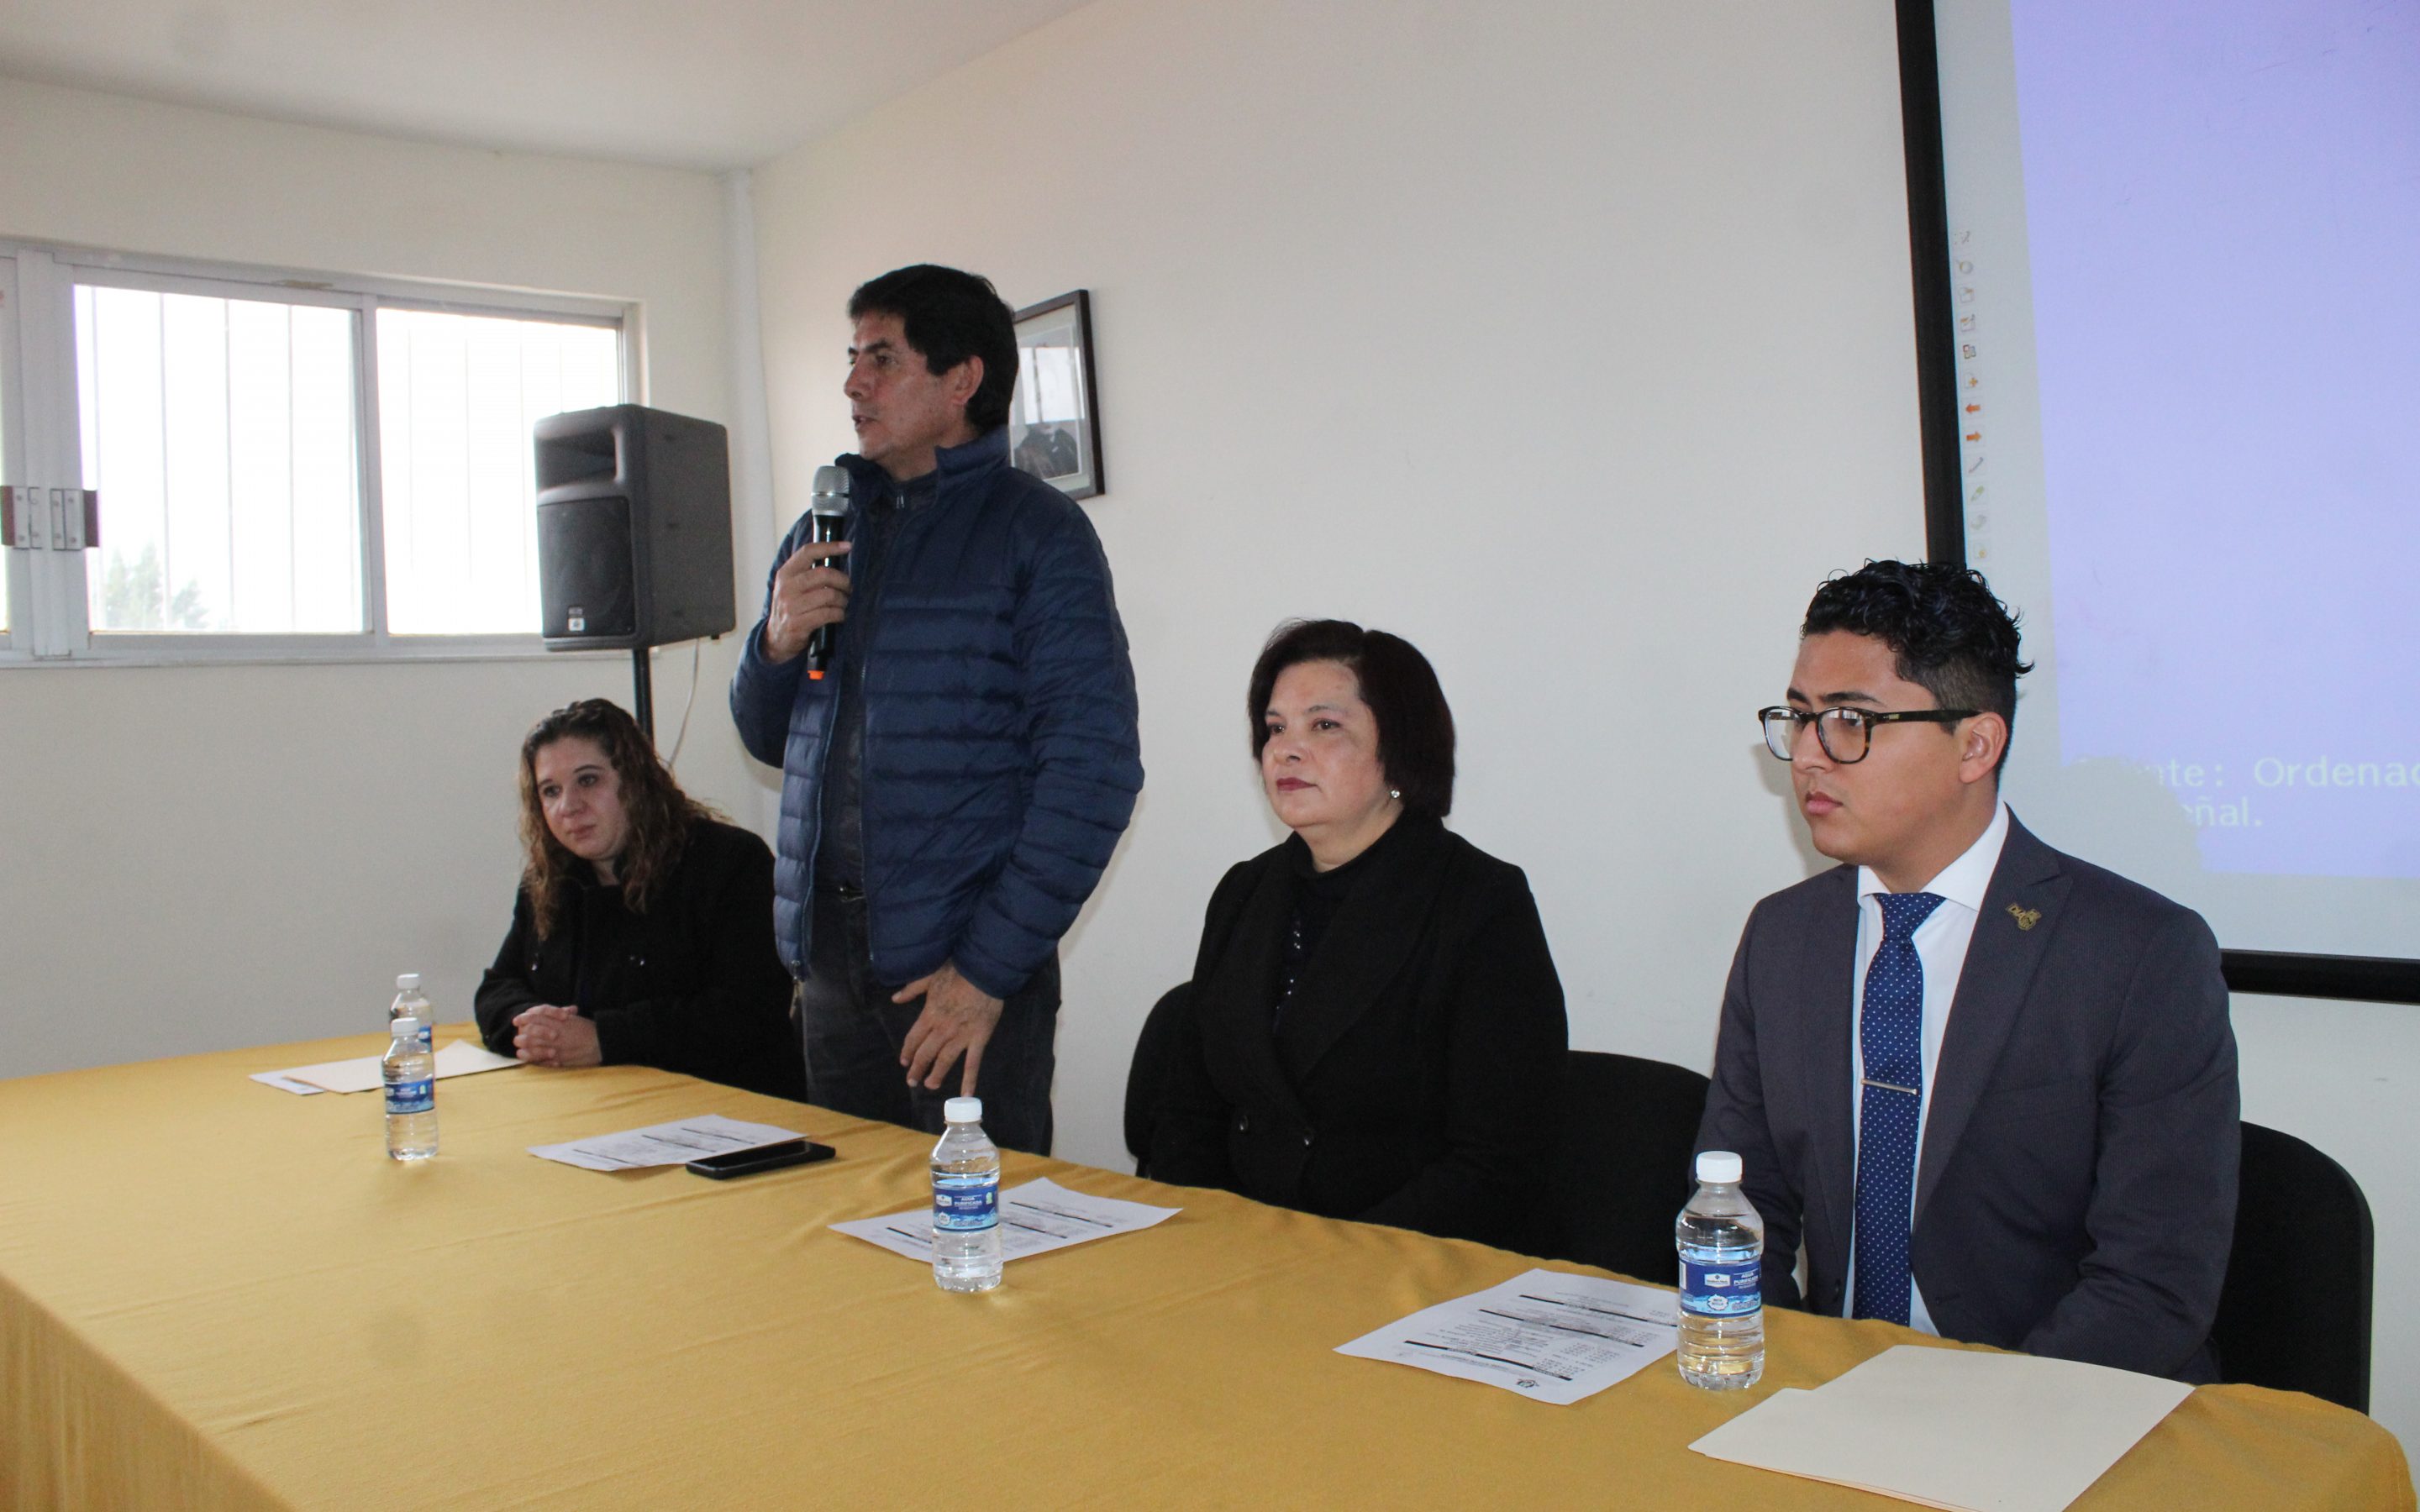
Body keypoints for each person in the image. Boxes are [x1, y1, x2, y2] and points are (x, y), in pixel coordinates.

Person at [1697, 560, 2238, 1381]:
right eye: (1800, 718)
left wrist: (1973, 1417)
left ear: (1976, 745)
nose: (1807, 755)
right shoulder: (1785, 936)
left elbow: (2152, 1287)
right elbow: (1743, 1205)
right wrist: (1777, 1374)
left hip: (2054, 1402)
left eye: (1850, 721)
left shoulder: (2139, 955)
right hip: (1832, 1390)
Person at [729, 264, 1142, 1155]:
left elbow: (1094, 769)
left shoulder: (1038, 532)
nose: (853, 384)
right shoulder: (822, 531)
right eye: (851, 359)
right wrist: (774, 645)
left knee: (976, 1222)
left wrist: (986, 973)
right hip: (830, 965)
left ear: (962, 380)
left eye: (881, 358)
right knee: (845, 1216)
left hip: (958, 971)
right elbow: (767, 739)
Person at [1144, 620, 1567, 1248]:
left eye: (1324, 726)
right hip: (1242, 1251)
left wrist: (1332, 1258)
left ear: (1398, 748)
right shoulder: (1245, 892)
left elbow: (1496, 1160)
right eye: (1275, 728)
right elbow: (1189, 1114)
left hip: (1401, 1262)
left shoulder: (1478, 902)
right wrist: (1218, 1239)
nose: (1286, 751)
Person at [474, 699, 804, 1100]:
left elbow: (749, 1012)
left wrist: (605, 1038)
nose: (568, 807)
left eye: (588, 780)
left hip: (725, 1106)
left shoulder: (730, 862)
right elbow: (498, 987)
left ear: (635, 779)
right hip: (588, 1104)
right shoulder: (549, 880)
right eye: (551, 791)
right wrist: (530, 1026)